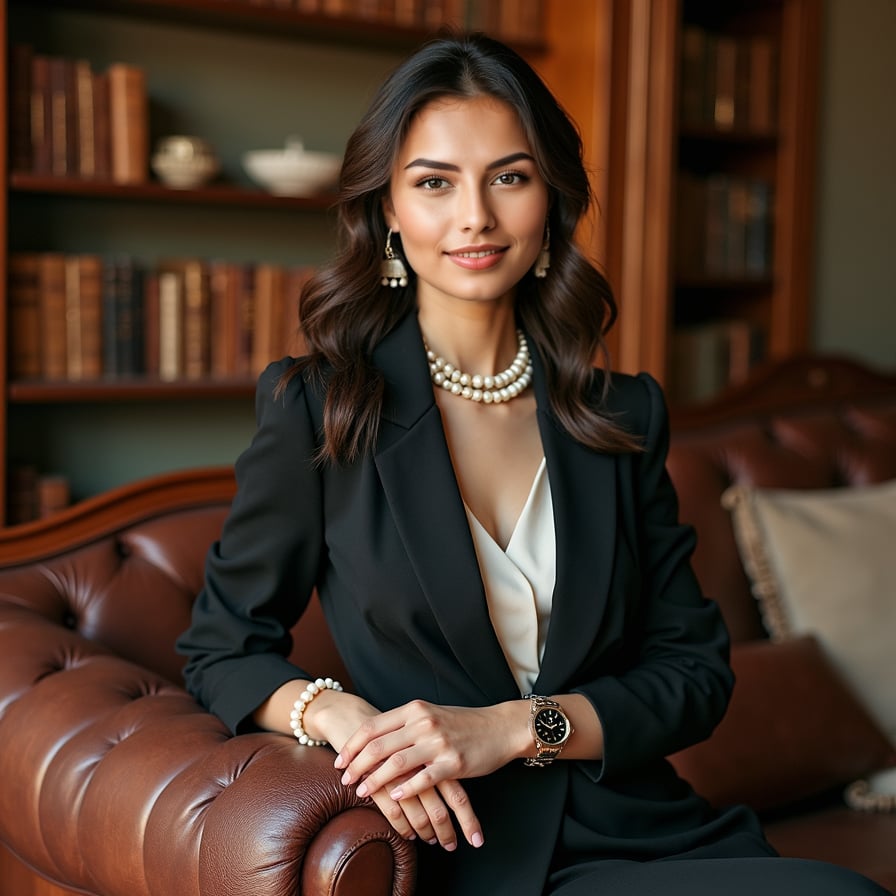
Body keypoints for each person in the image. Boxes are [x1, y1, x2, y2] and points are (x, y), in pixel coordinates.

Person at [177, 32, 888, 896]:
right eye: (434, 182)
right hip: (456, 855)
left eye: (508, 177)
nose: (475, 215)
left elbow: (694, 675)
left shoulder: (620, 414)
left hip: (642, 835)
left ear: (549, 200)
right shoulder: (322, 409)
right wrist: (340, 716)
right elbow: (223, 645)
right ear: (389, 213)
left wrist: (519, 727)